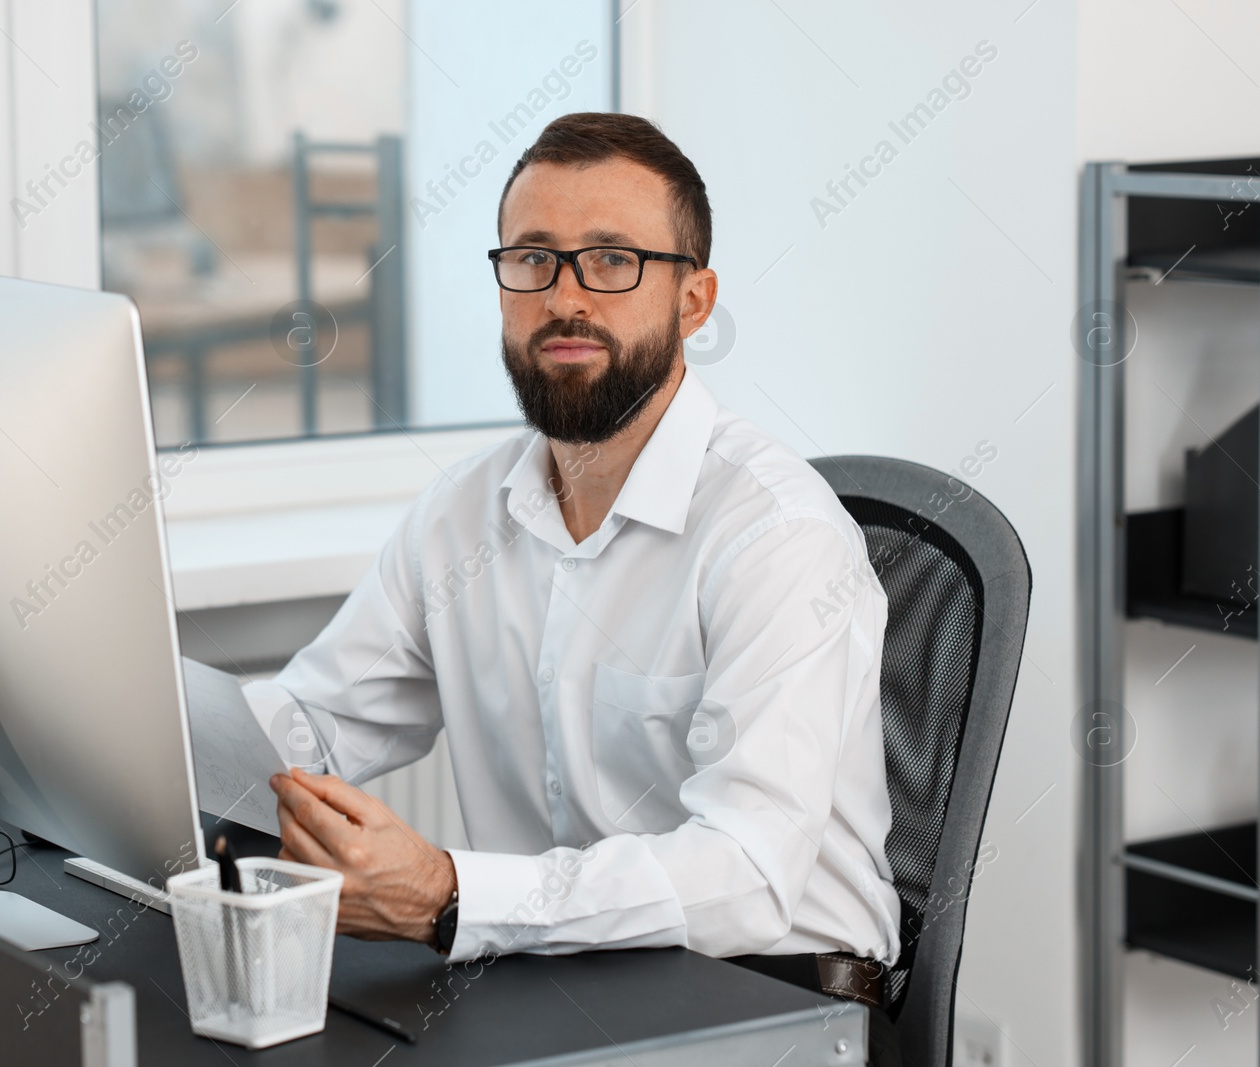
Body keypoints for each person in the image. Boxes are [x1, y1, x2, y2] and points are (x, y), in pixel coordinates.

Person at [244, 111, 901, 1061]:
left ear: (695, 299)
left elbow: (749, 873)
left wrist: (449, 894)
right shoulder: (462, 513)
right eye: (534, 259)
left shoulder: (777, 536)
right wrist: (129, 715)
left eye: (612, 260)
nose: (566, 296)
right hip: (549, 983)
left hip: (776, 1000)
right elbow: (310, 726)